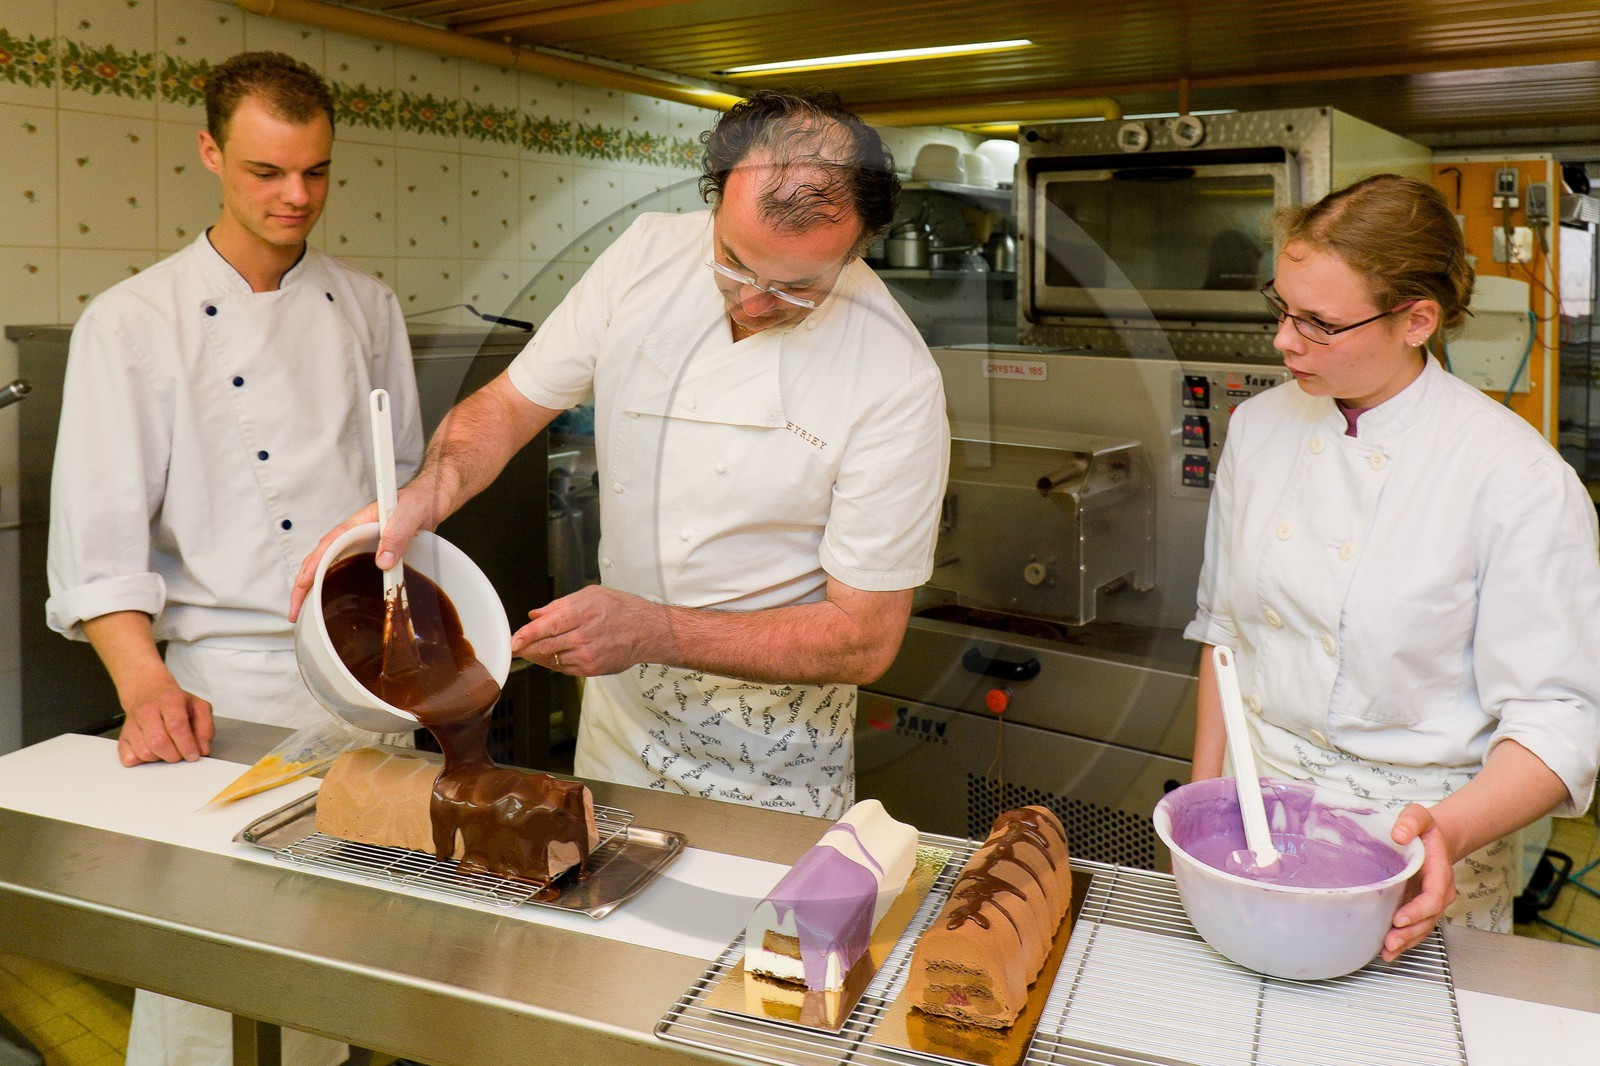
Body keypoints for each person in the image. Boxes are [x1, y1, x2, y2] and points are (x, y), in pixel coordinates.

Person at [292, 89, 949, 819]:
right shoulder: (644, 256)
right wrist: (429, 489)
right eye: (733, 264)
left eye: (797, 288)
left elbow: (863, 639)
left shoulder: (896, 376)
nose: (754, 302)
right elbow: (511, 403)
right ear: (714, 201)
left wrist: (653, 629)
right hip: (616, 738)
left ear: (856, 250)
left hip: (776, 768)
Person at [46, 51, 422, 1065]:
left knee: (343, 973)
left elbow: (403, 498)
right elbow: (100, 541)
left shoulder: (369, 307)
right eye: (266, 172)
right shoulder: (134, 323)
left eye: (316, 172)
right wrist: (143, 685)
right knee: (222, 983)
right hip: (224, 697)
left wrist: (411, 655)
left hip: (363, 688)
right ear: (210, 153)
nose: (296, 197)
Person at [1186, 173, 1600, 961]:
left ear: (1417, 320)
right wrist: (1209, 810)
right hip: (1255, 826)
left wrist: (1442, 834)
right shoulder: (1259, 428)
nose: (1284, 341)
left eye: (1320, 323)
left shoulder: (1514, 478)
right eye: (1282, 309)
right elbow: (1225, 635)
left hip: (1421, 853)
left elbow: (1560, 725)